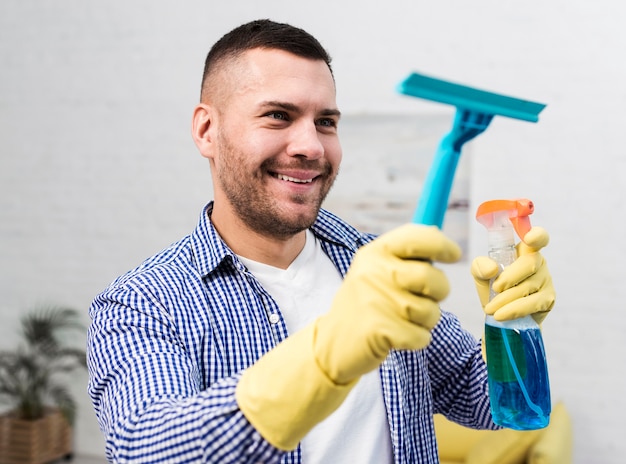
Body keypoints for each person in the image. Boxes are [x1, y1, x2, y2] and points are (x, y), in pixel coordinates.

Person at [87, 19, 556, 464]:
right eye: (277, 115)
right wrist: (325, 357)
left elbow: (481, 403)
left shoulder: (372, 262)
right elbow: (145, 447)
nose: (311, 146)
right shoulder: (140, 305)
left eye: (326, 122)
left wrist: (513, 328)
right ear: (207, 130)